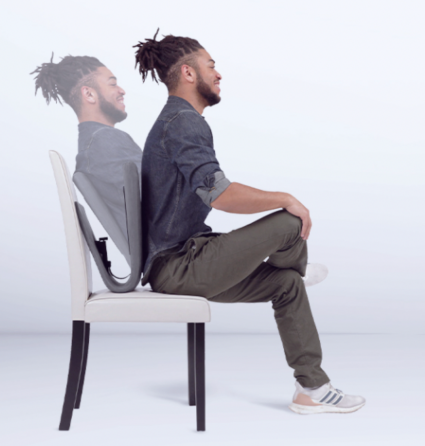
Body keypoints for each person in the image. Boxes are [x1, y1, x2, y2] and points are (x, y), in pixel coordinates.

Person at [133, 30, 364, 414]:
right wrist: (285, 198)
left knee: (287, 284)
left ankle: (312, 389)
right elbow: (219, 194)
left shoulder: (178, 121)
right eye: (212, 66)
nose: (219, 74)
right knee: (290, 221)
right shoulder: (183, 123)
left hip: (188, 258)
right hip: (179, 265)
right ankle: (295, 262)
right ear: (188, 73)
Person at [32, 54, 141, 236]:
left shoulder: (94, 144)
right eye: (113, 84)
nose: (122, 90)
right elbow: (164, 201)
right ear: (89, 94)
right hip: (182, 255)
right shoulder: (104, 141)